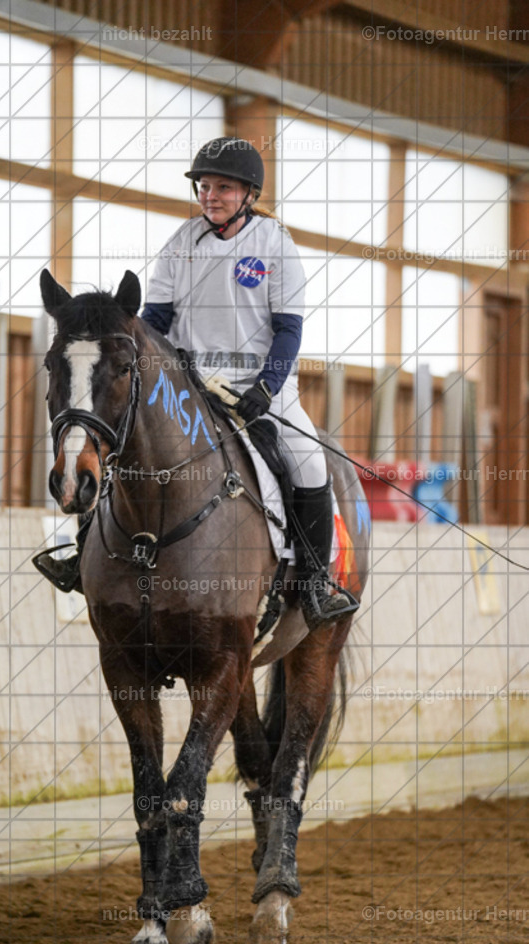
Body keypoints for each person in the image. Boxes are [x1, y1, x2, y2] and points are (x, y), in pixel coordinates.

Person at [37, 137, 355, 623]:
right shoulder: (181, 244)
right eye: (204, 186)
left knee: (310, 463)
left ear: (248, 193)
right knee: (116, 444)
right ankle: (84, 556)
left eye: (222, 187)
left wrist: (266, 389)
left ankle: (315, 584)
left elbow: (289, 329)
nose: (209, 195)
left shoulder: (276, 244)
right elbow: (156, 323)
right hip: (189, 385)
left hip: (259, 387)